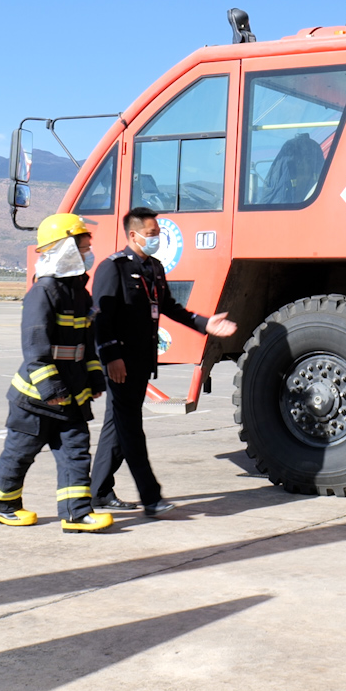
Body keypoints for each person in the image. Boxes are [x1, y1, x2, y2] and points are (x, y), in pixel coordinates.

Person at [90, 206, 238, 516]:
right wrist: (111, 357)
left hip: (142, 361)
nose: (157, 238)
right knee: (130, 429)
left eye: (158, 233)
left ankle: (99, 491)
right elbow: (101, 319)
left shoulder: (154, 268)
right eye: (152, 234)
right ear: (133, 235)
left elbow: (170, 307)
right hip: (120, 364)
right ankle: (151, 497)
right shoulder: (113, 267)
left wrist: (205, 323)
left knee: (116, 427)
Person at [0, 213, 113, 533]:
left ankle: (77, 513)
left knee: (76, 452)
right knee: (19, 453)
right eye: (84, 243)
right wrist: (54, 391)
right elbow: (34, 351)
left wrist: (95, 378)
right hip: (35, 399)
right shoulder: (42, 293)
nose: (89, 249)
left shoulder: (78, 293)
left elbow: (86, 345)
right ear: (65, 247)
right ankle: (3, 505)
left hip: (69, 397)